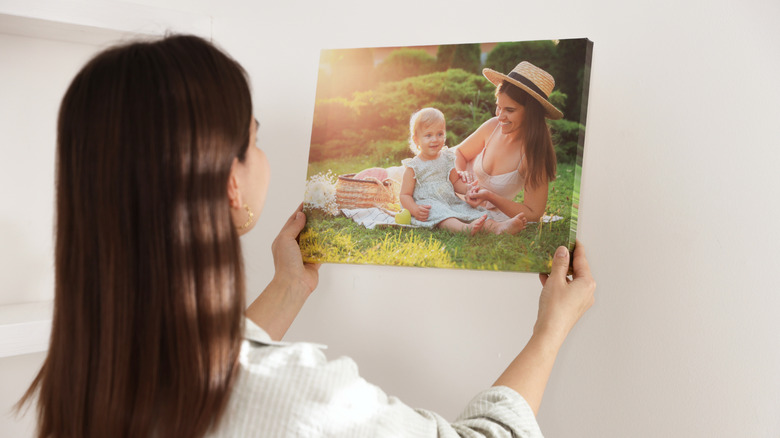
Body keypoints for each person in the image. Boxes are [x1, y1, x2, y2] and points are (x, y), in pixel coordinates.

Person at [18, 35, 596, 437]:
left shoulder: (85, 383)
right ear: (231, 183)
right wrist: (551, 330)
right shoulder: (296, 396)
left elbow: (205, 375)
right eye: (255, 138)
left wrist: (288, 289)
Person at [453, 61, 562, 223]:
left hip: (476, 207)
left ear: (531, 113)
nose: (500, 116)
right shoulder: (493, 126)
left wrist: (490, 196)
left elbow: (533, 213)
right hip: (451, 184)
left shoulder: (534, 156)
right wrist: (459, 176)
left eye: (509, 110)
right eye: (499, 107)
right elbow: (459, 152)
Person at [400, 107, 527, 235]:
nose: (435, 139)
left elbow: (455, 182)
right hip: (428, 205)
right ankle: (464, 229)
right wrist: (415, 209)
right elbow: (405, 195)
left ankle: (497, 227)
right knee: (443, 215)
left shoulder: (447, 158)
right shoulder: (413, 167)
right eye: (428, 135)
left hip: (449, 200)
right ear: (416, 140)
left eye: (439, 134)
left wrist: (467, 189)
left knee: (471, 210)